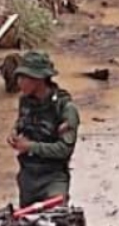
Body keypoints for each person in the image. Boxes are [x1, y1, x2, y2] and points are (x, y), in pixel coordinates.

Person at [7, 51, 80, 207]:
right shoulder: (25, 102)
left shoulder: (65, 108)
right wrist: (14, 133)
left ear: (39, 80)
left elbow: (63, 150)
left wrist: (30, 146)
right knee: (26, 225)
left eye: (24, 78)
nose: (19, 83)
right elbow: (21, 123)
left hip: (53, 178)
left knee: (55, 221)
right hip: (28, 177)